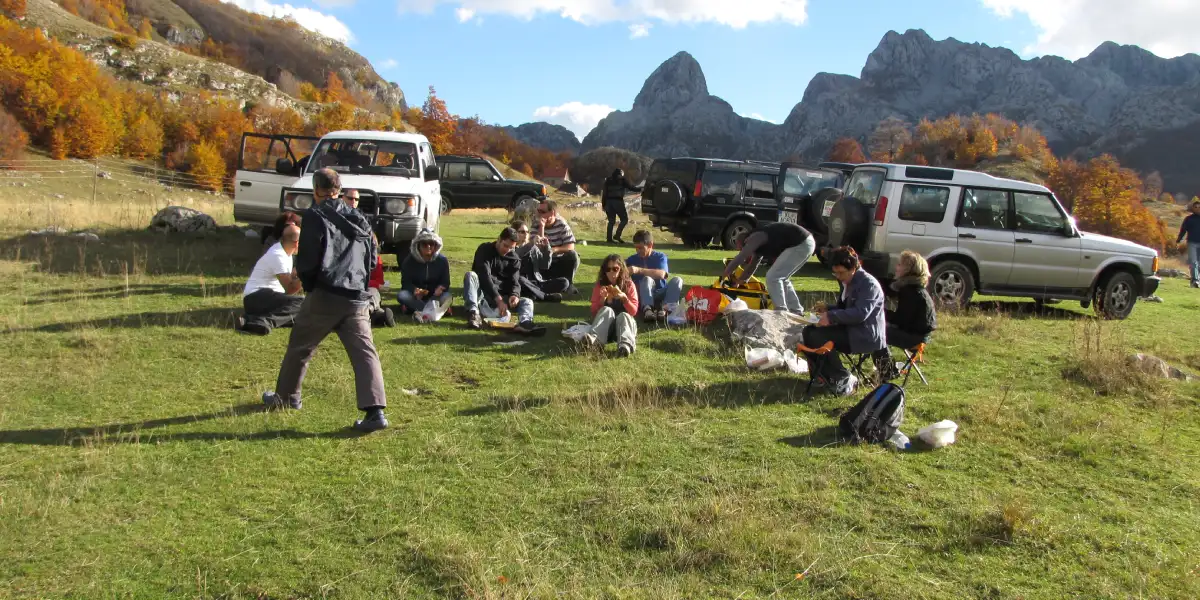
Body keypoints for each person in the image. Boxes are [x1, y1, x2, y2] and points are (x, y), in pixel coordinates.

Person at [260, 168, 390, 432]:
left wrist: (310, 286)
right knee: (365, 352)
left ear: (315, 190)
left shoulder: (315, 216)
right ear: (339, 191)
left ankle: (287, 397)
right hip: (356, 296)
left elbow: (308, 260)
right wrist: (361, 285)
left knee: (300, 346)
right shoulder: (359, 217)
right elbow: (371, 255)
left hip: (326, 293)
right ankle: (375, 412)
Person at [801, 246, 886, 397]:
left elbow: (860, 313)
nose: (838, 277)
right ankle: (824, 376)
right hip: (850, 329)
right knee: (808, 332)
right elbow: (845, 307)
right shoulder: (848, 281)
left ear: (853, 267)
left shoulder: (868, 285)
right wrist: (828, 308)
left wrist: (831, 316)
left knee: (818, 336)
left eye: (841, 273)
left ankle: (843, 377)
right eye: (835, 273)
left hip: (864, 334)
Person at [721, 221, 815, 313]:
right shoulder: (758, 244)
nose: (741, 250)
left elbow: (741, 257)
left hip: (800, 243)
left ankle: (781, 311)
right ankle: (796, 310)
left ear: (745, 241)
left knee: (773, 277)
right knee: (782, 278)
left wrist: (724, 274)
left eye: (741, 247)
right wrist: (740, 281)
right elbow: (753, 265)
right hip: (807, 242)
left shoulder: (755, 237)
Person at [463, 226, 539, 334]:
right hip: (483, 294)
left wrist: (515, 295)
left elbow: (515, 281)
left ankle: (525, 323)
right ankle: (473, 314)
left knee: (527, 302)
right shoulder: (485, 250)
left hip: (503, 298)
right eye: (505, 246)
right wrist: (498, 299)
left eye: (511, 248)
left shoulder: (514, 258)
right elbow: (484, 276)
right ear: (499, 239)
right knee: (470, 275)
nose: (507, 250)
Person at [238, 224, 304, 336]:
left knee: (305, 314)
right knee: (301, 302)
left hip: (266, 298)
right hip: (256, 297)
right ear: (297, 243)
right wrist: (306, 273)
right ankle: (263, 321)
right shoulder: (278, 255)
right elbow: (290, 289)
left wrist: (295, 276)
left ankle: (251, 319)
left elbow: (288, 282)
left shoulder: (285, 252)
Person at [582, 254, 639, 357]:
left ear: (621, 269)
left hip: (625, 328)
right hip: (606, 330)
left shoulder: (629, 285)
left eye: (615, 269)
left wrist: (625, 299)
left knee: (624, 315)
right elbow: (594, 313)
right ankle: (595, 342)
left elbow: (633, 311)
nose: (611, 273)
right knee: (607, 310)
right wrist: (602, 299)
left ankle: (625, 346)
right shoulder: (600, 285)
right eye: (608, 269)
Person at [627, 230, 684, 321]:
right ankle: (648, 310)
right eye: (636, 248)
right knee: (647, 279)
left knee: (678, 280)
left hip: (661, 292)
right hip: (643, 294)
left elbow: (662, 274)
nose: (638, 251)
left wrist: (638, 270)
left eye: (641, 248)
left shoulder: (660, 257)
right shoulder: (631, 260)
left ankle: (666, 309)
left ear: (650, 245)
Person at [885, 250, 937, 350]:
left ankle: (886, 364)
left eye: (900, 265)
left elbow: (902, 321)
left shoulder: (910, 291)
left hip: (915, 338)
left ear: (908, 269)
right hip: (920, 335)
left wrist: (882, 313)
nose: (896, 268)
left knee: (874, 331)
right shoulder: (916, 288)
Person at [399, 228, 453, 321]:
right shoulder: (409, 261)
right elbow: (405, 283)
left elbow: (446, 282)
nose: (428, 247)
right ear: (418, 245)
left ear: (436, 246)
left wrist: (440, 288)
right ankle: (433, 311)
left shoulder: (442, 260)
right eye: (424, 244)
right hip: (416, 297)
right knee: (402, 295)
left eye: (431, 244)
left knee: (447, 296)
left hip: (435, 296)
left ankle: (415, 310)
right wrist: (415, 290)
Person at [512, 220, 568, 303]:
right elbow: (518, 255)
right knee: (520, 279)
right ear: (515, 233)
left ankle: (535, 294)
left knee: (564, 282)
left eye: (527, 232)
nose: (526, 234)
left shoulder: (533, 248)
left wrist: (547, 248)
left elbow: (545, 265)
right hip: (522, 284)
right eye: (522, 232)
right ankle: (545, 296)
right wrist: (531, 244)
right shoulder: (511, 248)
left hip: (538, 282)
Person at [534, 198, 581, 286]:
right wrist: (542, 227)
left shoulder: (562, 224)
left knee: (573, 255)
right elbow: (537, 247)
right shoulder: (536, 224)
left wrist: (553, 250)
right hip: (542, 261)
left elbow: (570, 246)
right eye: (538, 211)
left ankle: (569, 284)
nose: (539, 214)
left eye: (542, 212)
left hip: (558, 260)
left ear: (553, 213)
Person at [602, 168, 642, 244]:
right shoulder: (622, 180)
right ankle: (617, 235)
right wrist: (641, 189)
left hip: (608, 202)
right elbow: (632, 188)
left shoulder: (608, 180)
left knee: (611, 221)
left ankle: (609, 239)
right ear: (620, 174)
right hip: (618, 202)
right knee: (624, 219)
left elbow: (604, 193)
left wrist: (603, 204)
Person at [365, 234, 396, 327]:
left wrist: (372, 284)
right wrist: (374, 284)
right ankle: (378, 316)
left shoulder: (377, 259)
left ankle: (371, 314)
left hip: (370, 291)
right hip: (354, 291)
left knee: (373, 293)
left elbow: (380, 281)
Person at [1178, 199, 1200, 288]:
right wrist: (1178, 240)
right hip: (1192, 243)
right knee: (1193, 262)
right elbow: (1183, 230)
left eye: (1199, 207)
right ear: (1193, 208)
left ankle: (1197, 280)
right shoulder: (1189, 219)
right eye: (1196, 207)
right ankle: (1195, 281)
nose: (1198, 209)